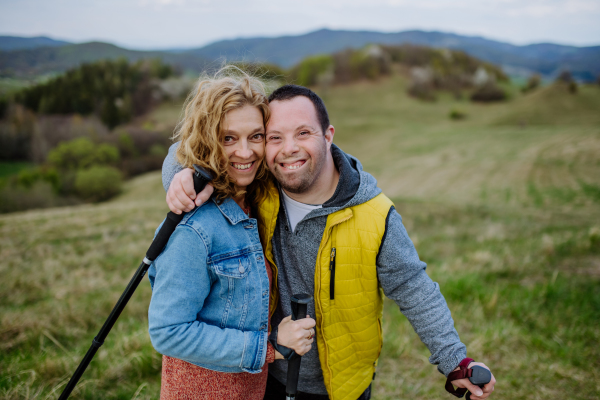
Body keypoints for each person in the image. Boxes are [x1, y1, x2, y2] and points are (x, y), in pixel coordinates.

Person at [162, 84, 497, 400]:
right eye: (275, 137)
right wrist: (179, 174)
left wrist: (455, 360)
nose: (289, 148)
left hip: (343, 386)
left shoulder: (374, 213)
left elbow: (413, 286)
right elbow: (202, 146)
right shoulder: (261, 188)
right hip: (268, 374)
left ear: (328, 136)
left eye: (303, 133)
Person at [147, 73, 316, 400]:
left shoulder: (257, 203)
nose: (245, 152)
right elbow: (168, 332)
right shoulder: (194, 229)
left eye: (256, 136)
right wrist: (268, 345)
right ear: (208, 140)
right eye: (228, 139)